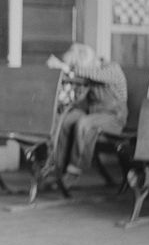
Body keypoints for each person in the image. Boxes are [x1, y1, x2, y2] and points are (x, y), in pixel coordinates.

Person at [46, 42, 128, 186]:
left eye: (80, 66)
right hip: (94, 114)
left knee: (84, 124)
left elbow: (95, 75)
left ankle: (74, 171)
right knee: (67, 120)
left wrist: (70, 68)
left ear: (89, 62)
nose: (79, 70)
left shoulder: (112, 69)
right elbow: (80, 96)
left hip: (114, 118)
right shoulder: (89, 72)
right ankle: (57, 167)